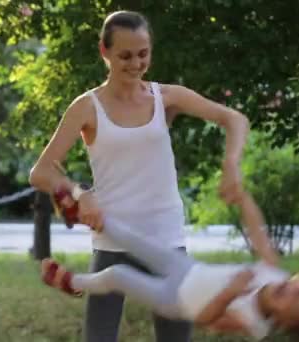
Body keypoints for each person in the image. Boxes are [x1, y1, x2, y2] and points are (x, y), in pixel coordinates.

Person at [29, 10, 249, 341]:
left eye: (143, 54)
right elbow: (41, 171)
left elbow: (235, 119)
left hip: (166, 237)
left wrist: (231, 164)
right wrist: (79, 194)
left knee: (175, 336)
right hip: (113, 235)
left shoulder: (166, 97)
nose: (136, 63)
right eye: (125, 55)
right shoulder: (87, 107)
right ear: (104, 51)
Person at [43, 190, 299, 341]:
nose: (295, 286)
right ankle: (80, 214)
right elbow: (259, 236)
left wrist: (230, 293)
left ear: (287, 323)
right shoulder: (275, 274)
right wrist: (244, 199)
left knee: (117, 275)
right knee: (132, 238)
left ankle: (73, 282)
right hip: (187, 269)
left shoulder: (255, 324)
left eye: (298, 299)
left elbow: (206, 322)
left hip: (173, 300)